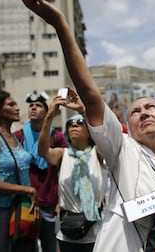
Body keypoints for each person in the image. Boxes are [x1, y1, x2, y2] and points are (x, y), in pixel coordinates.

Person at [18, 0, 155, 252]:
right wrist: (59, 23)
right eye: (135, 111)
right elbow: (92, 95)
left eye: (150, 107)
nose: (143, 112)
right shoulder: (120, 148)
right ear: (126, 126)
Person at [37, 89, 105, 252]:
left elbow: (106, 137)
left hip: (96, 230)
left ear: (89, 131)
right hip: (68, 228)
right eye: (70, 124)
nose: (74, 125)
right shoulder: (63, 154)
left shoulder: (98, 152)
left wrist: (83, 110)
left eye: (80, 123)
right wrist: (50, 115)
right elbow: (42, 151)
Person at [0, 90, 39, 252]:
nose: (17, 108)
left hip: (19, 209)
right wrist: (26, 189)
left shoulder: (14, 138)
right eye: (11, 105)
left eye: (16, 104)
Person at [14, 91, 68, 252]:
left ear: (47, 112)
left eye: (38, 106)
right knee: (26, 247)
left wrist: (60, 202)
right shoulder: (18, 136)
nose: (33, 108)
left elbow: (64, 170)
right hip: (26, 201)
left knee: (49, 246)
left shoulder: (56, 137)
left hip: (50, 201)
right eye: (31, 105)